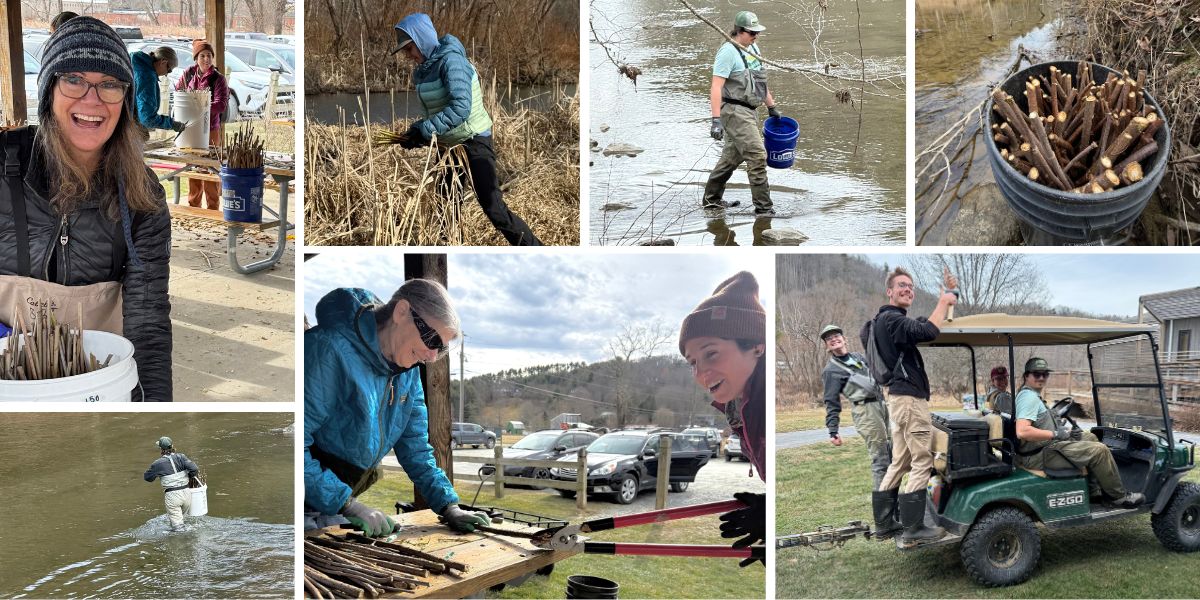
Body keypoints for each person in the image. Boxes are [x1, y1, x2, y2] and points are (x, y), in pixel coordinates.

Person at [0, 17, 172, 401]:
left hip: (94, 380)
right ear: (48, 91)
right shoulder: (2, 166)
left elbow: (147, 323)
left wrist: (152, 409)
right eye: (73, 79)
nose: (92, 99)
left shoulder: (143, 195)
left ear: (125, 100)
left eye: (110, 84)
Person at [304, 281, 491, 537]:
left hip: (333, 501)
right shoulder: (327, 350)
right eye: (431, 339)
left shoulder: (408, 374)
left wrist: (449, 507)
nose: (432, 357)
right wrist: (348, 504)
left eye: (442, 348)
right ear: (401, 312)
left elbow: (415, 448)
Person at [391, 13, 542, 246]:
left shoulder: (452, 62)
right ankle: (452, 246)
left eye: (411, 49)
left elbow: (460, 108)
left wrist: (424, 129)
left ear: (422, 41)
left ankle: (535, 249)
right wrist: (415, 133)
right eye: (406, 51)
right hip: (448, 145)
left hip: (473, 140)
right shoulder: (421, 72)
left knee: (494, 208)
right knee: (446, 205)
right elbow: (434, 113)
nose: (410, 56)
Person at [860, 266, 957, 545]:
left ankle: (885, 522)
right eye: (902, 285)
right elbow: (927, 330)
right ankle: (914, 528)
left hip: (897, 401)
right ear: (889, 291)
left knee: (900, 460)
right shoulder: (892, 320)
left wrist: (949, 296)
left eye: (911, 286)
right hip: (909, 401)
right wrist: (943, 301)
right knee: (922, 460)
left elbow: (923, 325)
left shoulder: (883, 321)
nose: (908, 290)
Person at [679, 271, 766, 566]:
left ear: (756, 346)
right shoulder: (738, 405)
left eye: (711, 353)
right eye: (693, 363)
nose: (702, 374)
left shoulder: (767, 395)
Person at [1014, 357, 1144, 507]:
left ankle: (1093, 491)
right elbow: (1022, 431)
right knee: (1099, 451)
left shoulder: (1032, 395)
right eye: (1037, 374)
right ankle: (1118, 497)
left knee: (1090, 436)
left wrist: (1065, 432)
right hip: (1040, 454)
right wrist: (1056, 434)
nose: (1042, 378)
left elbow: (1040, 424)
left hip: (1043, 447)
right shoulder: (1028, 398)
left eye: (1045, 374)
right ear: (1026, 376)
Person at [703, 10, 780, 216]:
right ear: (739, 31)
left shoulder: (753, 47)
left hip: (750, 110)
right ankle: (764, 209)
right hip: (734, 112)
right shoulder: (727, 52)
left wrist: (771, 106)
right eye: (752, 32)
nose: (756, 36)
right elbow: (716, 87)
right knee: (757, 156)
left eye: (757, 32)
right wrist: (715, 119)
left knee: (731, 158)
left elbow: (760, 82)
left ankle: (711, 201)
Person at [819, 324, 892, 491]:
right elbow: (831, 401)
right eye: (829, 339)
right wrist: (833, 430)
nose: (834, 339)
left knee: (894, 454)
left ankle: (894, 498)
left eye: (837, 336)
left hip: (882, 405)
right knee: (880, 460)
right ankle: (884, 509)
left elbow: (877, 373)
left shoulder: (858, 357)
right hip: (865, 411)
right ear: (827, 346)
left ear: (844, 339)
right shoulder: (831, 370)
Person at [175, 39, 228, 210]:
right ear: (196, 58)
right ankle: (193, 206)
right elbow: (178, 92)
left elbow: (221, 105)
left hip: (210, 129)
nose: (206, 59)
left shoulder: (218, 79)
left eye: (209, 56)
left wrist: (201, 107)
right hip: (190, 129)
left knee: (210, 168)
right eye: (202, 56)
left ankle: (213, 207)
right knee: (193, 168)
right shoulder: (188, 73)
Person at [144, 436, 200, 531]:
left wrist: (157, 472)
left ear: (161, 449)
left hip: (172, 496)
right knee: (182, 522)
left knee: (178, 528)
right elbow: (194, 469)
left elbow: (147, 478)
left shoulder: (158, 463)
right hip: (187, 493)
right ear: (172, 446)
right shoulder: (181, 457)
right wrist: (189, 477)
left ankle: (181, 543)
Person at [131, 46, 185, 132]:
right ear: (163, 62)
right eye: (169, 70)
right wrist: (172, 124)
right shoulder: (147, 77)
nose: (167, 74)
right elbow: (147, 119)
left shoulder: (136, 63)